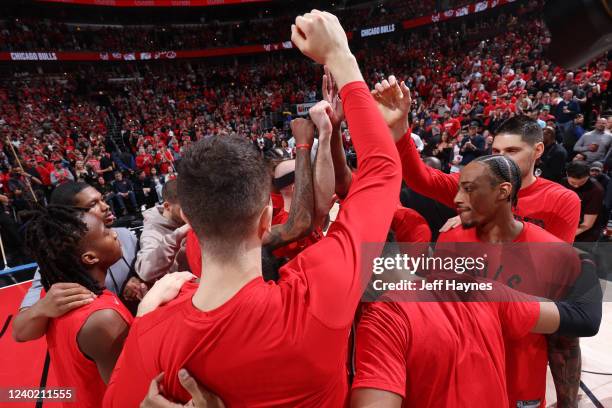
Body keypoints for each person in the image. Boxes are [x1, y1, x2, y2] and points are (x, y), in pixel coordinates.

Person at [103, 11, 401, 406]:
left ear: (188, 219)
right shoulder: (318, 294)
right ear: (265, 218)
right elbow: (381, 170)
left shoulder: (152, 331)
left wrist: (144, 324)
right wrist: (341, 58)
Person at [372, 75, 580, 243]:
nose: (502, 159)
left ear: (538, 150)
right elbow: (420, 179)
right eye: (497, 151)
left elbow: (553, 265)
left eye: (512, 150)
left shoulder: (562, 200)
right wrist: (400, 128)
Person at [12, 182, 141, 342]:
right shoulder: (58, 262)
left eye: (102, 199)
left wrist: (139, 277)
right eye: (92, 204)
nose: (105, 206)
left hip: (139, 334)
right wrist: (42, 308)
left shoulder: (124, 234)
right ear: (71, 217)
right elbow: (20, 333)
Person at [136, 179, 190, 282]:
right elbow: (145, 272)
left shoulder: (187, 218)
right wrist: (176, 237)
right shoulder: (152, 231)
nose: (191, 212)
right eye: (185, 207)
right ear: (167, 206)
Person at [561, 161, 605, 242]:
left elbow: (587, 224)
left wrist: (564, 237)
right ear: (567, 174)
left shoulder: (596, 190)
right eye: (572, 183)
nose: (576, 186)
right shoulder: (563, 182)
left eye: (581, 182)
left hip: (584, 232)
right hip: (566, 225)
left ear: (588, 176)